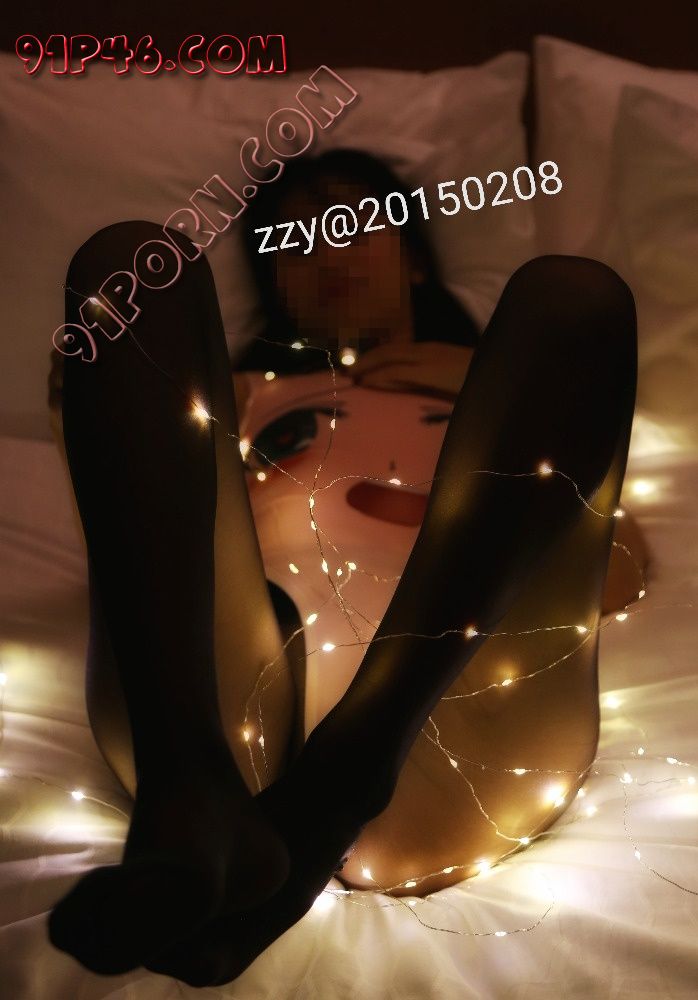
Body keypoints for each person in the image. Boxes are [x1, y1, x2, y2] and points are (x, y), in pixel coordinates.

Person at [45, 147, 646, 987]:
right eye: (293, 239)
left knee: (573, 298)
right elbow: (124, 545)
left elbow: (617, 571)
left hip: (456, 720)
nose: (326, 249)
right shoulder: (241, 393)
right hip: (222, 713)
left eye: (354, 223)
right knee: (131, 264)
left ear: (412, 260)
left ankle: (344, 776)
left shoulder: (529, 395)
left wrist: (468, 378)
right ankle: (194, 801)